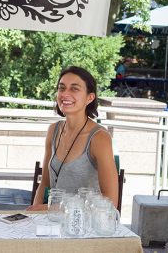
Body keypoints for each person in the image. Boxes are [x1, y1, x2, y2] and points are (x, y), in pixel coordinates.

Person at [27, 66, 118, 211]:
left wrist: (48, 209)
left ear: (90, 98)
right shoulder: (53, 130)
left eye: (74, 89)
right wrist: (34, 213)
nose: (65, 94)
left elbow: (111, 201)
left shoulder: (100, 138)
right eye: (62, 88)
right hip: (53, 222)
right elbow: (44, 182)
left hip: (84, 227)